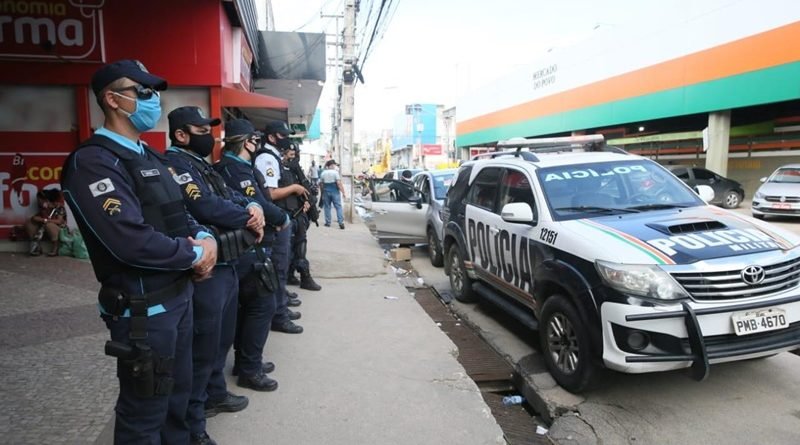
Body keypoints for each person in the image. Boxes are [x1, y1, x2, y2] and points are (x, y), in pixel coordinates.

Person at [60, 60, 218, 444]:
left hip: (179, 298)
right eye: (143, 92)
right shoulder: (94, 162)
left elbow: (179, 213)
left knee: (176, 402)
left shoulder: (149, 156)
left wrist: (205, 238)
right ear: (112, 99)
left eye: (155, 92)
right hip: (144, 312)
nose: (154, 100)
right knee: (144, 413)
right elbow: (129, 240)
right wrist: (194, 255)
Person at [164, 106, 266, 444]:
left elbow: (227, 194)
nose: (209, 135)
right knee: (201, 351)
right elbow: (203, 206)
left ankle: (215, 393)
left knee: (220, 341)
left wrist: (253, 207)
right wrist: (246, 217)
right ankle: (194, 426)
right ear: (181, 134)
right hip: (208, 269)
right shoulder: (175, 164)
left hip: (228, 263)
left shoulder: (203, 165)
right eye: (201, 129)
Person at [214, 118, 290, 392]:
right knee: (261, 305)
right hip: (249, 245)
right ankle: (249, 368)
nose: (257, 145)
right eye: (255, 141)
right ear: (247, 142)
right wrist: (281, 217)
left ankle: (247, 360)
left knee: (248, 306)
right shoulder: (237, 170)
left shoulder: (228, 167)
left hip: (244, 245)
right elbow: (259, 202)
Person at [253, 120, 305, 334]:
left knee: (281, 268)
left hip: (281, 219)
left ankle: (280, 308)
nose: (287, 140)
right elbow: (271, 194)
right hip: (275, 222)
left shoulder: (274, 156)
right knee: (277, 269)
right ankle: (279, 316)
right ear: (273, 137)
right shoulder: (267, 158)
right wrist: (294, 188)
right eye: (283, 136)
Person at [280, 143, 322, 291]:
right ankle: (297, 277)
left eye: (294, 155)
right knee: (288, 248)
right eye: (289, 155)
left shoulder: (296, 171)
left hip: (298, 213)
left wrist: (308, 201)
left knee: (300, 244)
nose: (292, 159)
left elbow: (305, 190)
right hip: (285, 214)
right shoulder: (277, 169)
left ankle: (298, 275)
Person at [25, 188, 67, 256]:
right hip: (44, 230)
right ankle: (36, 247)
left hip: (59, 231)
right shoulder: (44, 209)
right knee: (29, 223)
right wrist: (36, 218)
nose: (39, 202)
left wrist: (45, 220)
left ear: (46, 200)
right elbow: (36, 217)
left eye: (40, 200)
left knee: (49, 225)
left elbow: (59, 221)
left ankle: (55, 249)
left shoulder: (59, 207)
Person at [319, 159, 346, 229]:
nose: (334, 166)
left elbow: (321, 184)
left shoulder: (323, 173)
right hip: (335, 191)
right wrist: (343, 192)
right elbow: (339, 183)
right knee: (338, 207)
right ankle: (341, 223)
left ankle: (328, 223)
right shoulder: (335, 173)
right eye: (334, 165)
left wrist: (322, 192)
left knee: (327, 207)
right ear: (331, 165)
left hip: (326, 191)